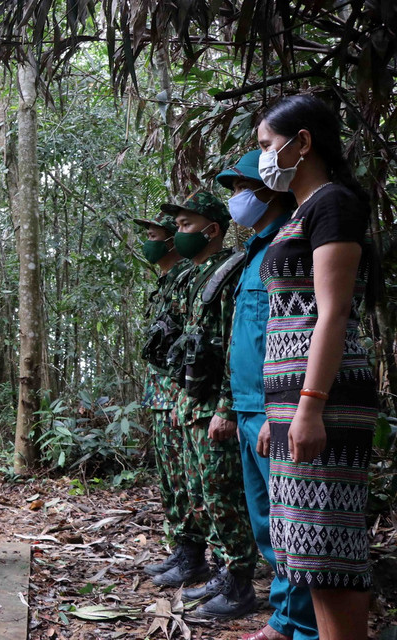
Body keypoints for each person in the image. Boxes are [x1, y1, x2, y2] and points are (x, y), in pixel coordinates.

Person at [256, 94, 376, 640]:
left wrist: (309, 407)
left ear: (302, 142)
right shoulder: (300, 213)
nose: (263, 157)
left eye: (266, 145)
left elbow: (332, 313)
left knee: (329, 553)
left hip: (324, 395)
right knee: (307, 553)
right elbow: (287, 320)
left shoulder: (334, 204)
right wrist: (275, 412)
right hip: (296, 400)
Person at [216, 151, 318, 640]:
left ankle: (300, 623)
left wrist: (289, 408)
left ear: (269, 189)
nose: (236, 198)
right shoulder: (257, 250)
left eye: (242, 187)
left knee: (291, 526)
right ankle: (285, 619)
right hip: (248, 404)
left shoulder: (292, 244)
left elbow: (302, 329)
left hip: (277, 405)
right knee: (266, 525)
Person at [156, 191, 258, 620]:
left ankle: (239, 584)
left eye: (185, 226)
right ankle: (217, 569)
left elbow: (234, 345)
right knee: (200, 493)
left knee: (222, 494)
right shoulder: (194, 276)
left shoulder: (231, 271)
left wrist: (227, 406)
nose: (177, 235)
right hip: (189, 401)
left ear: (212, 229)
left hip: (214, 404)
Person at [132, 212, 198, 578]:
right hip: (160, 392)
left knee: (185, 476)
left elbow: (188, 341)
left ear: (172, 240)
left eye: (155, 235)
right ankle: (182, 548)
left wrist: (181, 392)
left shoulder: (186, 279)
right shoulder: (165, 282)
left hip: (178, 392)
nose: (149, 242)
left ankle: (194, 556)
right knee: (170, 476)